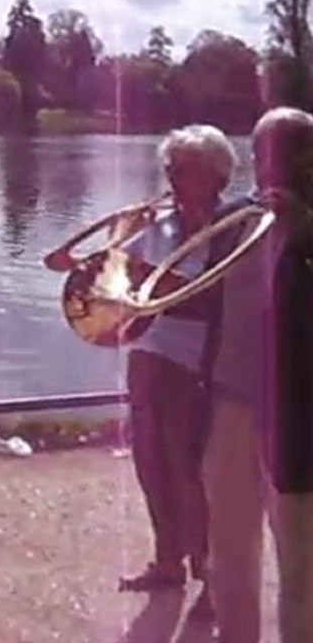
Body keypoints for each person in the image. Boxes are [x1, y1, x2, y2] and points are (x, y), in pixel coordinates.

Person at [200, 106, 313, 643]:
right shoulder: (234, 221)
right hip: (232, 402)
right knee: (229, 545)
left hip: (298, 415)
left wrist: (306, 236)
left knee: (302, 558)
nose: (270, 167)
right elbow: (208, 305)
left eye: (286, 153)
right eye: (261, 153)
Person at [115, 125, 235, 621]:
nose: (170, 175)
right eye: (169, 167)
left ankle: (213, 579)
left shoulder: (234, 227)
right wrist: (119, 238)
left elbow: (219, 298)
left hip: (196, 363)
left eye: (181, 167)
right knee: (150, 464)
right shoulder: (160, 224)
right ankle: (167, 562)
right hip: (147, 354)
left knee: (190, 473)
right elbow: (115, 276)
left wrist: (159, 285)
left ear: (215, 175)